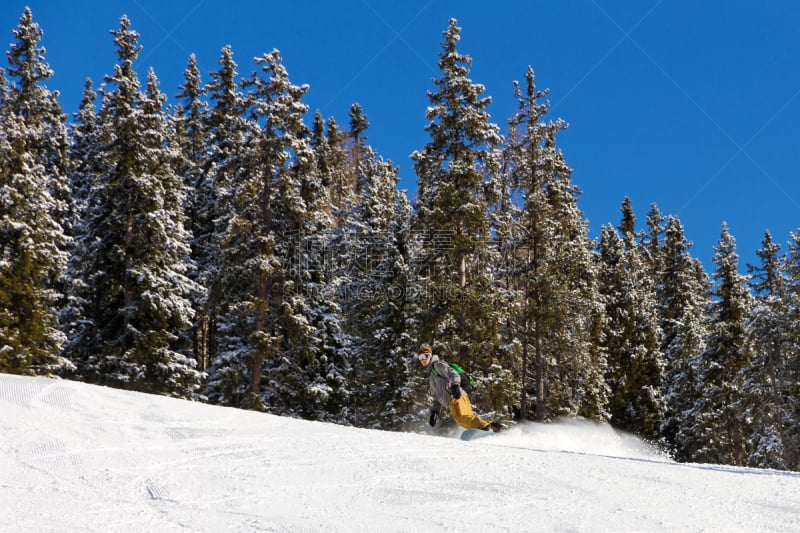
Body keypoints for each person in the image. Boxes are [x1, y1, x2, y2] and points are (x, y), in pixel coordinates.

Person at [417, 344, 504, 432]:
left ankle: (484, 427)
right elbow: (436, 397)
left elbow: (454, 374)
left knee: (461, 418)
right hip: (460, 396)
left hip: (455, 396)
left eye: (425, 356)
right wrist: (434, 412)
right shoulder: (432, 376)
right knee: (467, 418)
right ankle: (494, 427)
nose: (423, 359)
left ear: (431, 356)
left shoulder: (438, 365)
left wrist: (455, 386)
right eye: (420, 357)